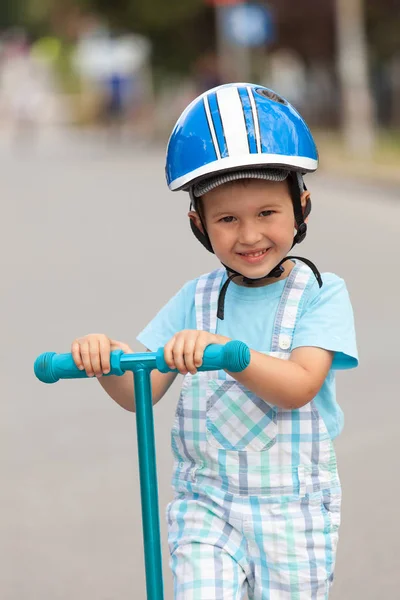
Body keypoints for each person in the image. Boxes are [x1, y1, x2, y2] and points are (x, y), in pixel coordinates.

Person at [71, 83, 358, 599]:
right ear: (198, 224)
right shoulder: (196, 298)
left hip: (290, 513)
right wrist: (106, 359)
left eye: (267, 213)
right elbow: (144, 389)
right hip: (207, 506)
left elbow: (299, 386)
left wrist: (231, 355)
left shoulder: (320, 293)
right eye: (227, 219)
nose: (249, 236)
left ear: (301, 207)